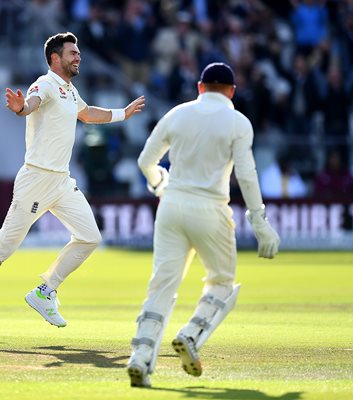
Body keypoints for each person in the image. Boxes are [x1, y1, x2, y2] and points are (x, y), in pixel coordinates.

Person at [0, 32, 145, 345]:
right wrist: (20, 108)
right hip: (36, 180)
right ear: (55, 58)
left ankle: (46, 291)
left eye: (78, 52)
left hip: (61, 181)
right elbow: (30, 104)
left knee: (90, 237)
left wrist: (124, 112)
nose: (78, 57)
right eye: (73, 53)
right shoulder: (45, 84)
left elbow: (87, 113)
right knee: (2, 251)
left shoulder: (69, 89)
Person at [126, 62, 280, 387]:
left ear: (199, 87)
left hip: (171, 205)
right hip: (211, 209)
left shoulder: (177, 114)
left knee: (161, 286)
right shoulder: (238, 122)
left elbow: (144, 161)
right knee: (223, 284)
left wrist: (158, 184)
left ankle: (140, 357)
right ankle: (191, 334)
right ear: (232, 92)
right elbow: (247, 175)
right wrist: (260, 222)